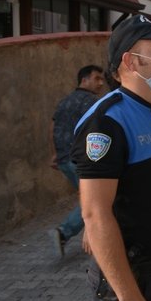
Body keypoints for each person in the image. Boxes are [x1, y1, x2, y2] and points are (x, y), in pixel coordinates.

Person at [72, 14, 151, 301]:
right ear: (130, 61)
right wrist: (128, 298)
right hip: (136, 278)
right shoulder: (106, 121)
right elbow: (95, 214)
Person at [48, 64, 105, 257]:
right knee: (93, 199)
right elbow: (96, 130)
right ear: (84, 80)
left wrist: (54, 154)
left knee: (90, 197)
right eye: (96, 78)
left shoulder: (65, 101)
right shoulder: (92, 102)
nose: (100, 83)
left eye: (101, 79)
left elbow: (53, 127)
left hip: (64, 159)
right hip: (80, 160)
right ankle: (63, 232)